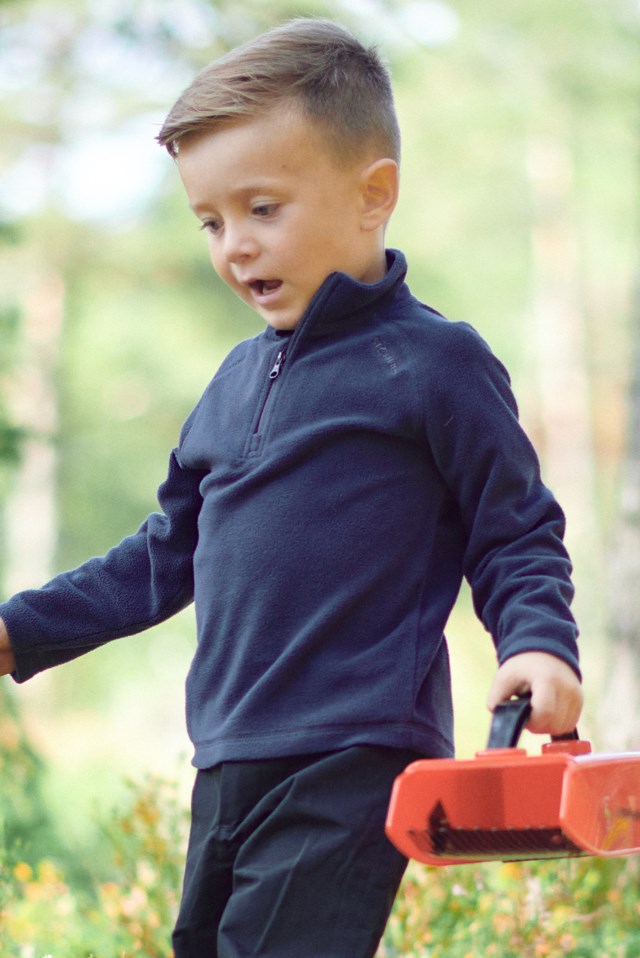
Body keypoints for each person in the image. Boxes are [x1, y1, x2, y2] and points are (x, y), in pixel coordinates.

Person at [0, 17, 583, 958]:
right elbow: (162, 558)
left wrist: (541, 646)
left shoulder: (434, 364)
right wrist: (21, 629)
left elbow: (514, 531)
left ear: (373, 195)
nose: (233, 246)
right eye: (211, 221)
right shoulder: (231, 383)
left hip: (355, 751)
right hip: (229, 753)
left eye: (262, 209)